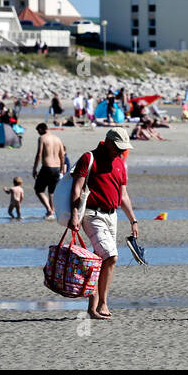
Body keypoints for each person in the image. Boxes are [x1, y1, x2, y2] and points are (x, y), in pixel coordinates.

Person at [67, 128, 140, 320]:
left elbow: (123, 195)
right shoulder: (88, 158)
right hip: (91, 215)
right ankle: (102, 303)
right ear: (107, 142)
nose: (120, 151)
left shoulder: (120, 163)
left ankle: (94, 306)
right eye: (117, 147)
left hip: (112, 216)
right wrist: (74, 214)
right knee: (111, 256)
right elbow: (76, 188)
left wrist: (133, 220)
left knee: (103, 259)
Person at [31, 123, 66, 220]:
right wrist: (62, 168)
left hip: (47, 166)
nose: (38, 133)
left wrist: (34, 168)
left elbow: (39, 154)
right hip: (57, 167)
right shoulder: (57, 138)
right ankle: (52, 212)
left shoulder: (42, 138)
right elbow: (62, 155)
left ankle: (49, 209)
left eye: (38, 131)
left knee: (39, 190)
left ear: (42, 129)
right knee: (52, 192)